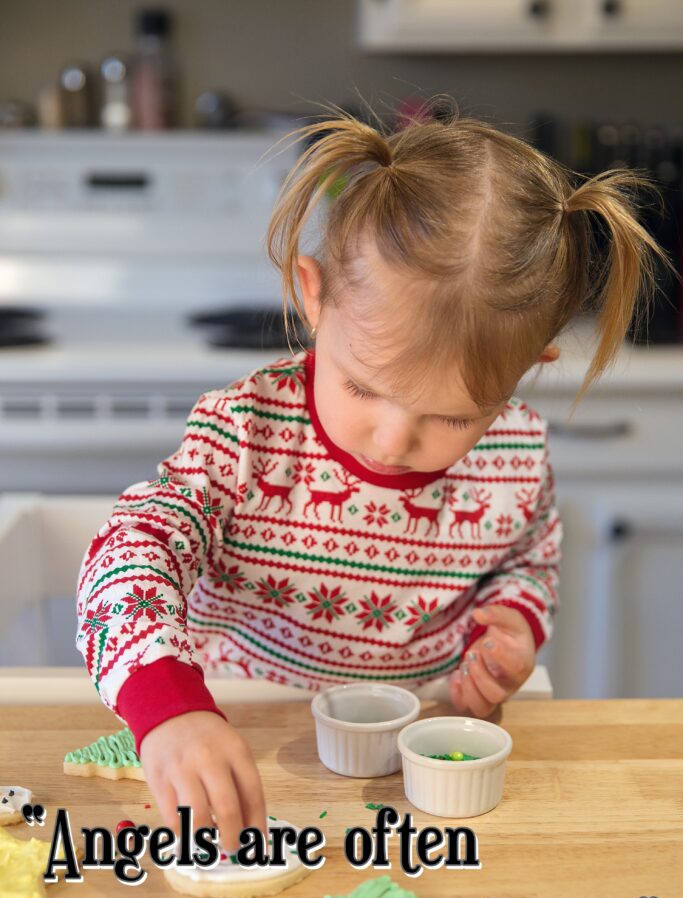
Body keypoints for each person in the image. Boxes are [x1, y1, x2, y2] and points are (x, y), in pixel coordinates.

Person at [76, 102, 669, 850]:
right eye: (361, 388)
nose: (394, 442)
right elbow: (125, 556)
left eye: (452, 417)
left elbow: (528, 560)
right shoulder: (244, 434)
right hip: (238, 732)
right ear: (312, 294)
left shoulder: (516, 451)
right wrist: (168, 706)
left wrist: (513, 626)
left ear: (528, 368)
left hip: (416, 752)